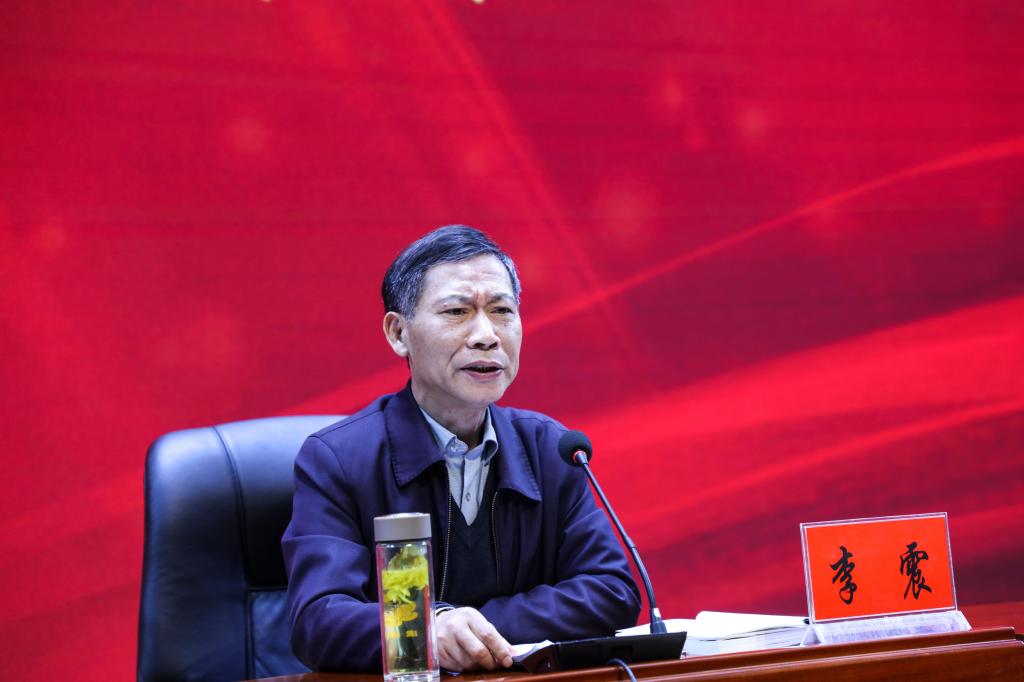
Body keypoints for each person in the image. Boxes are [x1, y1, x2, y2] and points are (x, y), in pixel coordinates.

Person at [282, 225, 641, 673]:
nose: (486, 335)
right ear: (398, 333)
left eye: (502, 310)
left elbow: (611, 591)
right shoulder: (338, 460)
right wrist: (431, 629)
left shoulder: (550, 448)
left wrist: (462, 628)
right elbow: (318, 621)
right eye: (457, 312)